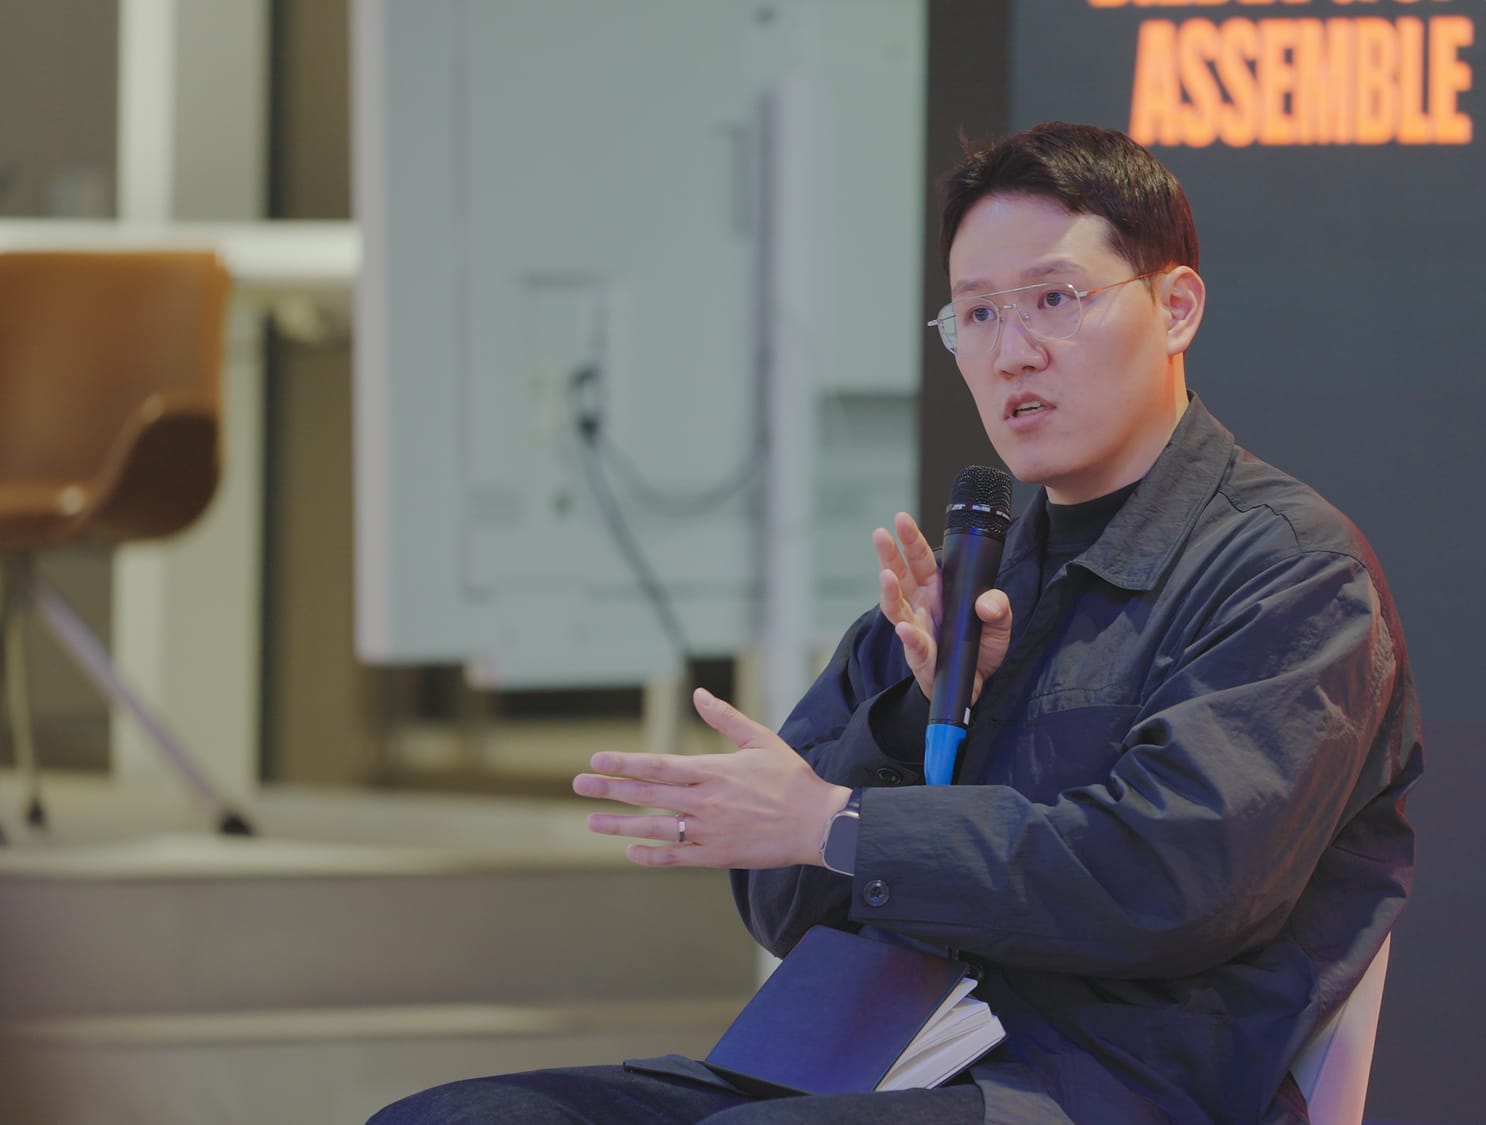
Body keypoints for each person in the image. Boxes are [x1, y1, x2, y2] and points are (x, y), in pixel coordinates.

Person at [373, 120, 1420, 1125]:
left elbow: (1167, 881)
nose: (1012, 352)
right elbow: (786, 905)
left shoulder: (1286, 568)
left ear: (1176, 308)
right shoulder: (966, 577)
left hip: (1105, 1088)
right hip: (853, 1063)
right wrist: (908, 718)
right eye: (976, 314)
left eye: (1054, 299)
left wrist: (843, 823)